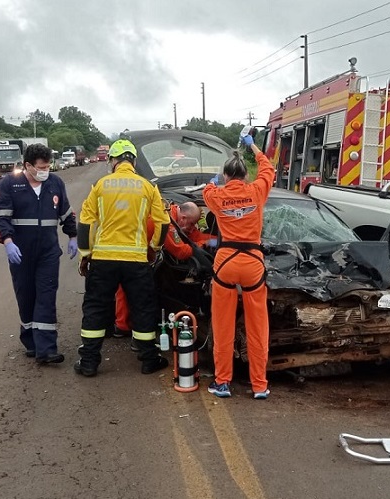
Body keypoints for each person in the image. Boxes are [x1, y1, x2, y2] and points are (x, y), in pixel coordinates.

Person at [75, 139, 171, 377]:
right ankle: (149, 359)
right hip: (136, 261)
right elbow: (163, 222)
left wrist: (85, 255)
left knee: (96, 308)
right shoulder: (148, 186)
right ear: (134, 161)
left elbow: (85, 223)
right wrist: (154, 248)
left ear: (113, 161)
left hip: (103, 260)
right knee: (142, 308)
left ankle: (88, 362)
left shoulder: (100, 185)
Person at [202, 133, 275, 399]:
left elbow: (206, 191)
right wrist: (252, 146)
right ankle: (259, 385)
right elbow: (268, 167)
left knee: (223, 326)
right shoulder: (257, 190)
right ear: (245, 175)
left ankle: (222, 383)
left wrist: (212, 182)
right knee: (258, 328)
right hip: (253, 263)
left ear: (226, 176)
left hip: (225, 263)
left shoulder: (216, 195)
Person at [0, 143, 77, 364]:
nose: (45, 170)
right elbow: (1, 217)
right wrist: (8, 241)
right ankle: (31, 342)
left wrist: (73, 236)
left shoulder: (55, 183)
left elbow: (66, 213)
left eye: (48, 166)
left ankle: (46, 349)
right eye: (41, 167)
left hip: (48, 251)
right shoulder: (9, 184)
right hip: (20, 251)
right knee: (26, 296)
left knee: (46, 296)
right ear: (28, 165)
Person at [111, 201, 214, 338]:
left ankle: (124, 325)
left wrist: (218, 241)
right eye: (191, 224)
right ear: (183, 218)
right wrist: (201, 245)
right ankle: (128, 328)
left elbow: (193, 236)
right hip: (127, 253)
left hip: (130, 251)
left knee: (126, 289)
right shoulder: (166, 220)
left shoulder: (173, 216)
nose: (192, 228)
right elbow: (182, 251)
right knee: (131, 290)